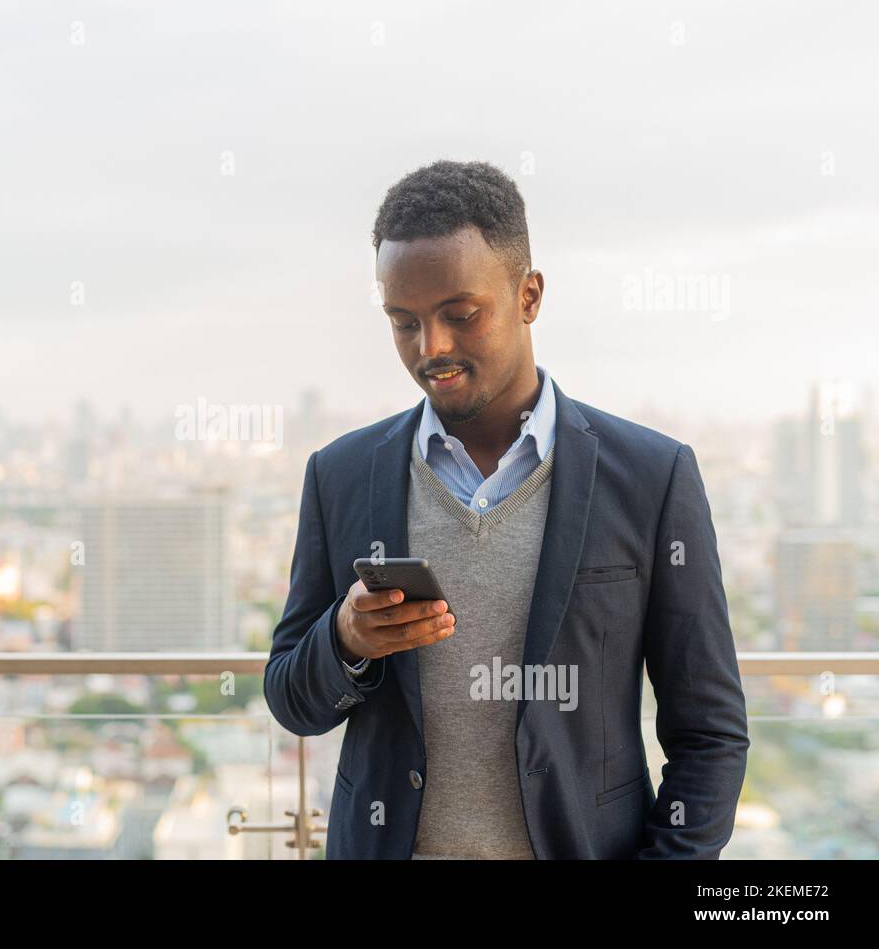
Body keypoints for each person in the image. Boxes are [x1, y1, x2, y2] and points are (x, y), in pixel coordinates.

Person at [264, 160, 749, 859]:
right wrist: (345, 640)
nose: (431, 348)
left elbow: (710, 734)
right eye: (404, 323)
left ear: (529, 295)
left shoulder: (652, 477)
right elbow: (290, 699)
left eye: (461, 315)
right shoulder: (340, 474)